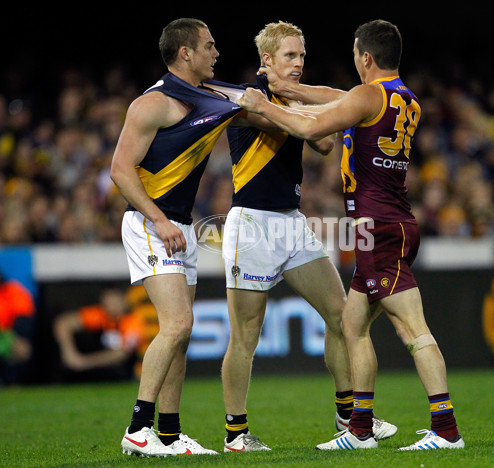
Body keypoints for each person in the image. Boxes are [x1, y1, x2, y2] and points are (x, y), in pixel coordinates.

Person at [238, 19, 464, 451]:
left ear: (365, 57)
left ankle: (445, 429)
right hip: (387, 224)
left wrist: (263, 105)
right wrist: (288, 90)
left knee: (413, 330)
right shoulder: (403, 98)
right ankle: (359, 429)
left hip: (378, 228)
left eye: (356, 56)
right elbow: (334, 99)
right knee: (350, 324)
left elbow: (310, 128)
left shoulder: (367, 96)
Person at [220, 21, 397, 453]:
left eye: (301, 56)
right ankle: (236, 434)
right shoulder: (248, 98)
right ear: (268, 60)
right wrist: (300, 107)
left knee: (340, 317)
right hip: (253, 225)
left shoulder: (285, 98)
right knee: (246, 335)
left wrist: (298, 99)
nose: (298, 63)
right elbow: (308, 131)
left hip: (292, 223)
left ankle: (348, 417)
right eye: (290, 57)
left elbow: (322, 144)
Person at [110, 17, 268, 457]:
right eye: (209, 45)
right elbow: (120, 170)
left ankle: (169, 432)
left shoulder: (209, 95)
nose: (216, 52)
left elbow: (257, 104)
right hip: (150, 223)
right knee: (178, 325)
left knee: (179, 331)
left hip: (180, 225)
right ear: (185, 52)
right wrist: (158, 220)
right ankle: (137, 428)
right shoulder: (152, 103)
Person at [53, 287, 142, 381]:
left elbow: (122, 354)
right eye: (107, 305)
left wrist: (84, 362)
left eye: (114, 304)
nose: (111, 308)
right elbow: (63, 323)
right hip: (97, 373)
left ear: (124, 303)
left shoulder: (133, 321)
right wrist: (69, 353)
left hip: (124, 373)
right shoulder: (102, 316)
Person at [0, 259, 34, 385]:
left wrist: (15, 341)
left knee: (23, 349)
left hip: (5, 346)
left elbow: (24, 321)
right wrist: (8, 344)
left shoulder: (10, 292)